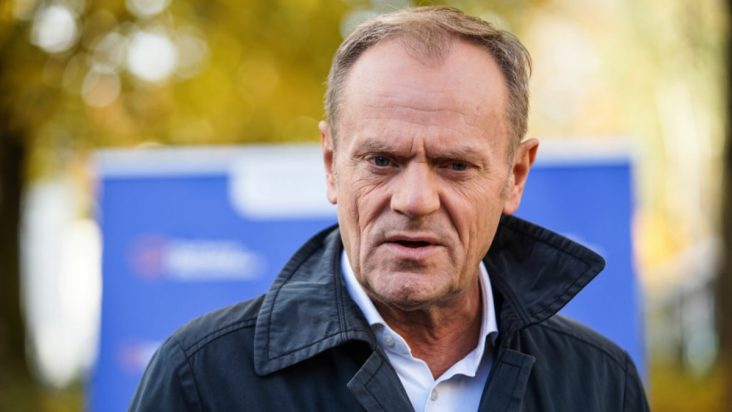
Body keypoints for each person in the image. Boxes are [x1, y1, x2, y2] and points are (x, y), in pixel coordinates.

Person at [130, 6, 649, 411]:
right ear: (331, 164)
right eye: (381, 160)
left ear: (514, 176)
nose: (414, 200)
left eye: (455, 165)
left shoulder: (601, 383)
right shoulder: (202, 379)